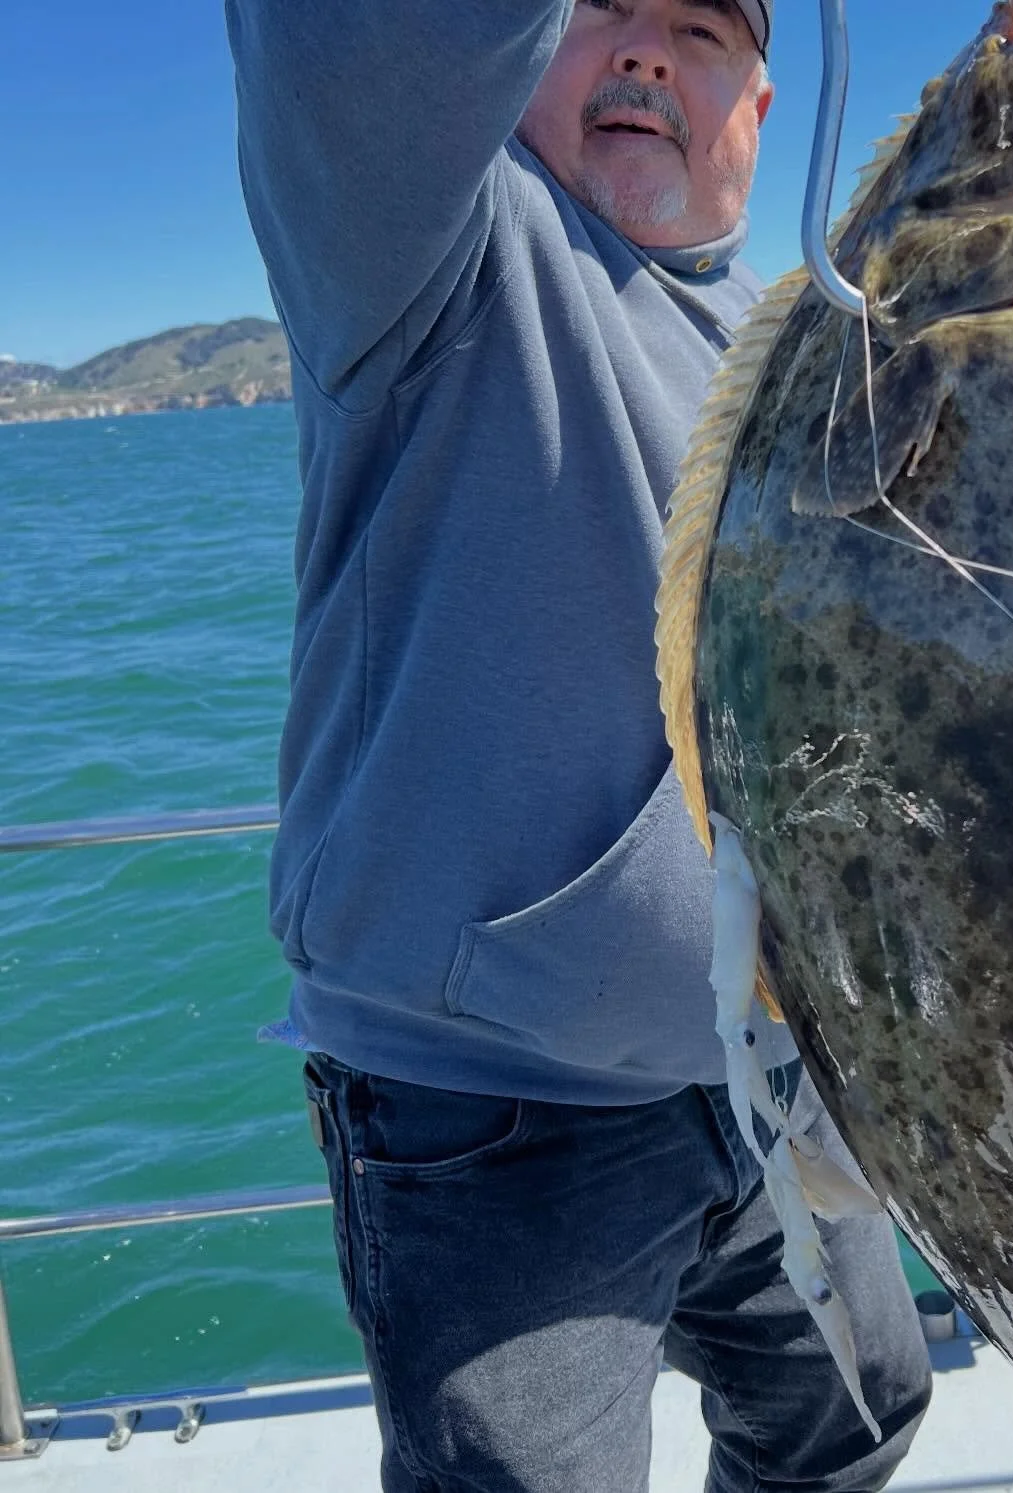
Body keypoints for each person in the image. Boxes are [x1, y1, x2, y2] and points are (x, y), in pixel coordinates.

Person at [225, 1, 933, 1487]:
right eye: (601, 7)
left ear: (761, 111)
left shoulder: (812, 347)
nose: (645, 53)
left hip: (775, 1065)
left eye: (700, 28)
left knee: (858, 1414)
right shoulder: (437, 251)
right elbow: (357, 42)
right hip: (492, 1107)